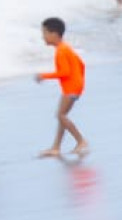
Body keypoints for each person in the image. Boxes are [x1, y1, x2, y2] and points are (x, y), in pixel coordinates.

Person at [34, 18, 88, 158]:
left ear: (54, 34)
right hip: (74, 86)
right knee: (61, 116)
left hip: (71, 87)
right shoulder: (65, 47)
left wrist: (44, 76)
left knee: (61, 116)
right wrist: (80, 81)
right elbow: (81, 64)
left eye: (45, 33)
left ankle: (81, 140)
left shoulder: (61, 51)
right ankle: (56, 147)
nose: (43, 37)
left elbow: (65, 72)